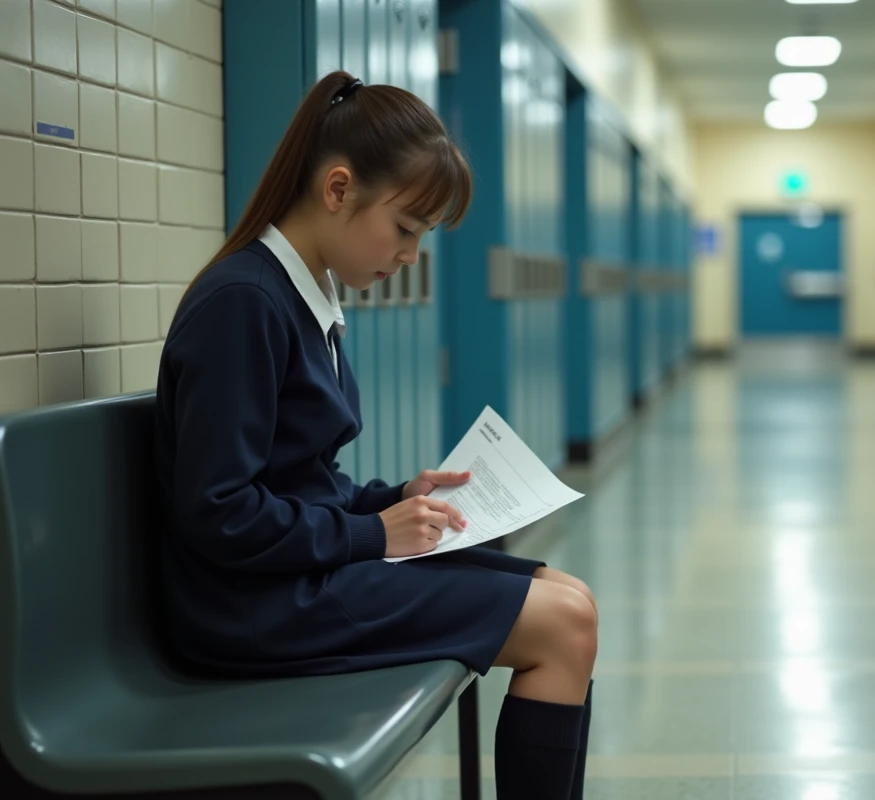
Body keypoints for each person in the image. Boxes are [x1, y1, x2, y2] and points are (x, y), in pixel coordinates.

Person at [154, 71, 597, 800]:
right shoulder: (244, 302)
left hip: (296, 578)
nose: (410, 256)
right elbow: (220, 509)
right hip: (252, 609)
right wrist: (373, 536)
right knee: (562, 627)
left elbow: (298, 480)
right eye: (405, 229)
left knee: (570, 598)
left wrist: (394, 501)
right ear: (337, 189)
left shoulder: (304, 292)